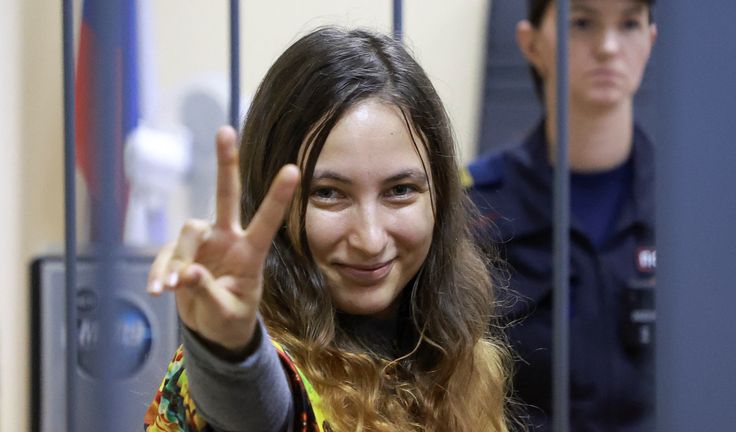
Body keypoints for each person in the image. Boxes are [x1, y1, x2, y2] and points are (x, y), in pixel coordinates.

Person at [142, 27, 518, 432]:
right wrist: (229, 350)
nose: (370, 240)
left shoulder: (462, 360)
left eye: (400, 190)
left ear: (439, 196)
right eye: (328, 194)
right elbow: (260, 412)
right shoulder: (268, 365)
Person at [466, 0, 658, 430]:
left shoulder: (697, 211)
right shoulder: (475, 209)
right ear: (530, 43)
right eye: (582, 23)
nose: (608, 47)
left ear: (649, 41)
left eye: (629, 24)